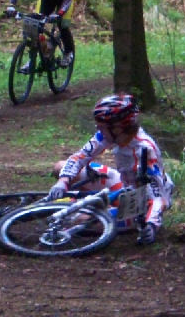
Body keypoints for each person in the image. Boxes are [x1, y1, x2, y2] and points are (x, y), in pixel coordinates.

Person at [46, 93, 174, 245]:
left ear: (118, 128)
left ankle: (97, 212)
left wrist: (151, 225)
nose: (98, 129)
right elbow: (80, 156)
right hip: (123, 184)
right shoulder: (109, 135)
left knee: (80, 220)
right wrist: (63, 180)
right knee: (61, 167)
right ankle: (84, 203)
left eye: (102, 126)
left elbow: (158, 197)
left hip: (140, 202)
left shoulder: (145, 150)